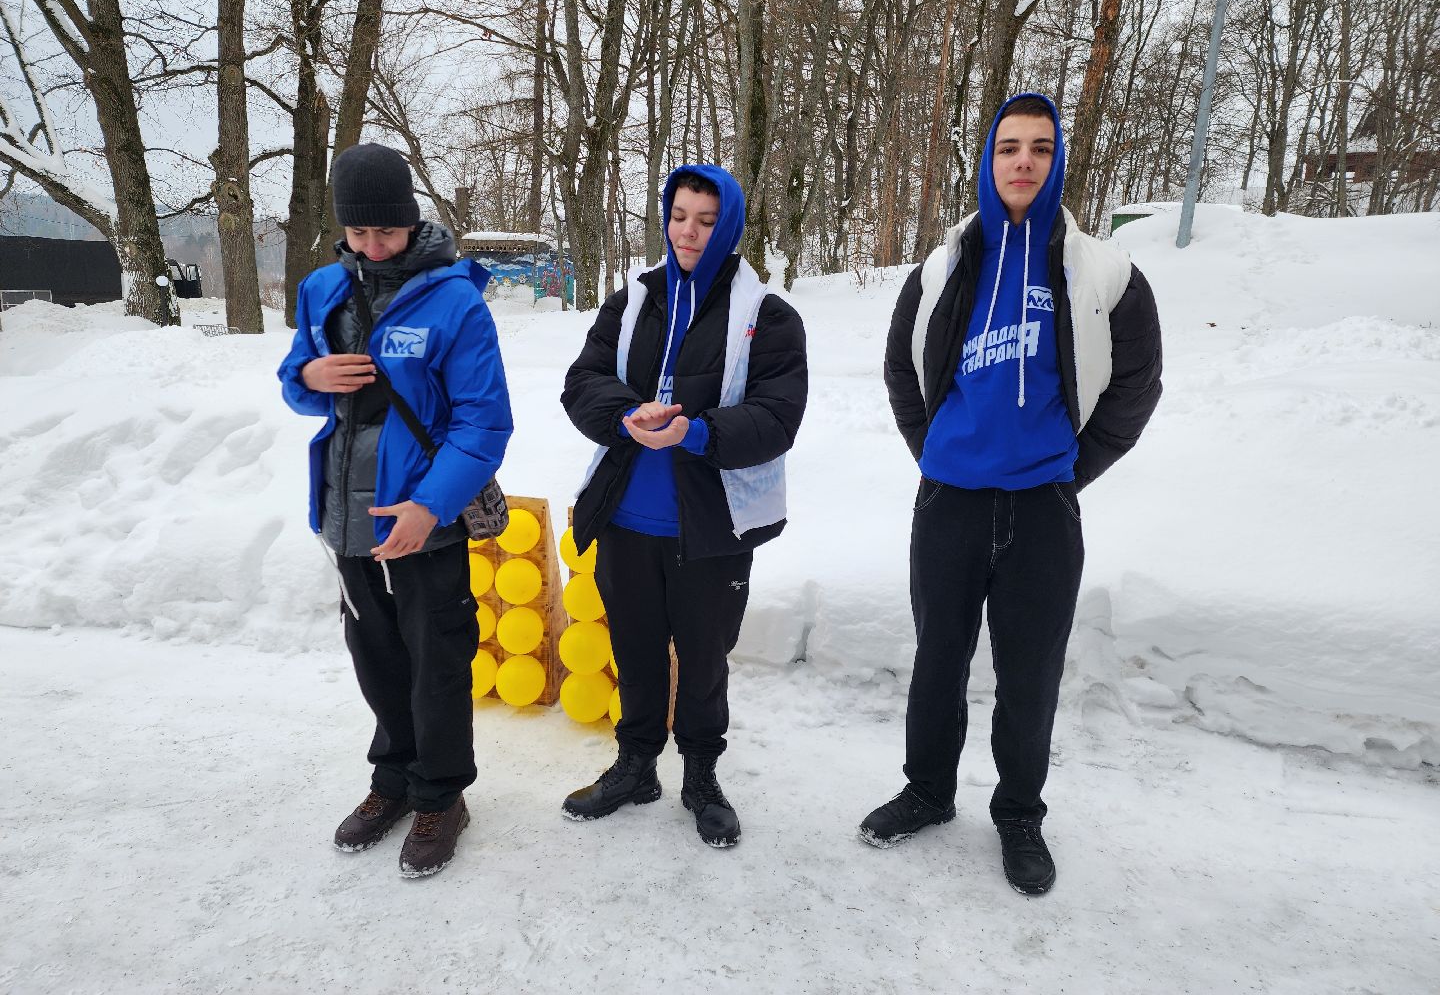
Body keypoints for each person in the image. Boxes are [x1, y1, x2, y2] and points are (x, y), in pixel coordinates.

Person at [860, 94, 1162, 894]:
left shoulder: (1103, 271)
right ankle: (927, 791)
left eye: (1038, 147)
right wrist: (937, 453)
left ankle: (1019, 813)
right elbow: (901, 367)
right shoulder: (946, 264)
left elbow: (1136, 385)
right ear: (988, 161)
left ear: (1057, 160)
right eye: (1008, 148)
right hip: (949, 506)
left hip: (1042, 511)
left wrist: (1068, 467)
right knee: (938, 662)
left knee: (1029, 674)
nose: (1022, 161)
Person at [277, 143, 513, 878]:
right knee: (374, 659)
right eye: (359, 233)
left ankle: (442, 793)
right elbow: (294, 381)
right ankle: (394, 779)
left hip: (424, 519)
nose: (373, 246)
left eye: (387, 232)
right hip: (346, 517)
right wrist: (310, 376)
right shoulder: (322, 289)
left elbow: (484, 424)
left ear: (411, 222)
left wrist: (428, 509)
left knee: (436, 661)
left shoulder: (455, 301)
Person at [560, 164, 807, 847]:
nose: (689, 232)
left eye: (705, 219)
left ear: (727, 225)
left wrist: (694, 432)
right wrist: (627, 413)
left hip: (711, 528)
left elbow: (776, 418)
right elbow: (583, 383)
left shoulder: (766, 317)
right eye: (679, 217)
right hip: (628, 518)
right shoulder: (635, 301)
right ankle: (636, 766)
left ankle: (701, 776)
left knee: (703, 661)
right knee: (635, 653)